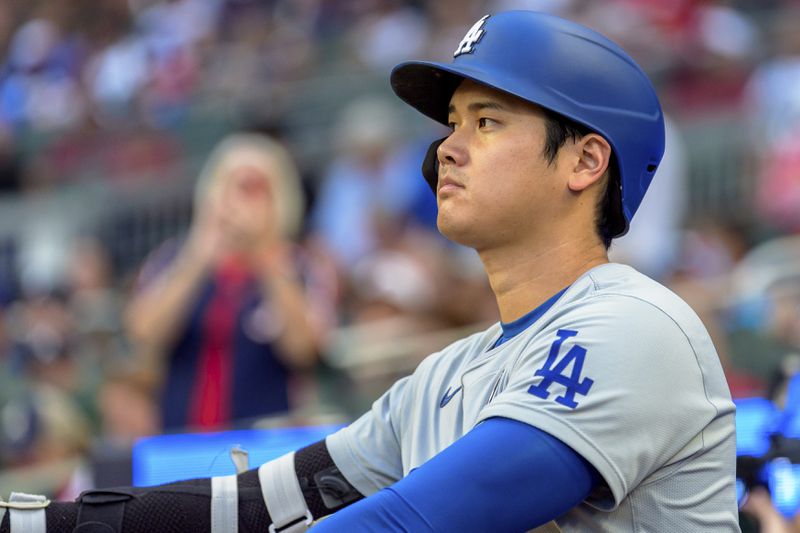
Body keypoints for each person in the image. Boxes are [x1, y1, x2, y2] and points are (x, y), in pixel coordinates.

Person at [0, 11, 738, 532]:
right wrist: (42, 522)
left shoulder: (634, 322)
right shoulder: (445, 375)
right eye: (451, 124)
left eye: (487, 121)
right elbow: (250, 506)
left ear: (585, 161)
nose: (447, 148)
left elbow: (417, 520)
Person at [124, 133, 319, 431]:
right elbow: (144, 334)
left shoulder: (295, 264)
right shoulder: (174, 257)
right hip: (182, 438)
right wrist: (198, 256)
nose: (241, 202)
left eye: (255, 189)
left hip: (264, 442)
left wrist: (265, 256)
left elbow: (303, 351)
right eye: (234, 186)